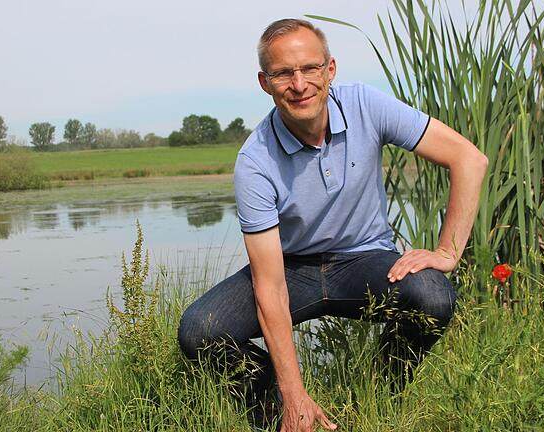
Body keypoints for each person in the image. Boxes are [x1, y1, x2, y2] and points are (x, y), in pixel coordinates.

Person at [178, 18, 488, 432]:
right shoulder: (255, 161)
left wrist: (447, 252)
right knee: (200, 331)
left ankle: (378, 398)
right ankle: (272, 404)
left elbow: (470, 160)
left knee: (433, 295)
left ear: (331, 69)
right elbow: (270, 285)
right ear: (264, 82)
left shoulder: (365, 105)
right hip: (293, 270)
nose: (299, 83)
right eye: (283, 73)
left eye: (310, 68)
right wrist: (294, 392)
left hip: (366, 259)